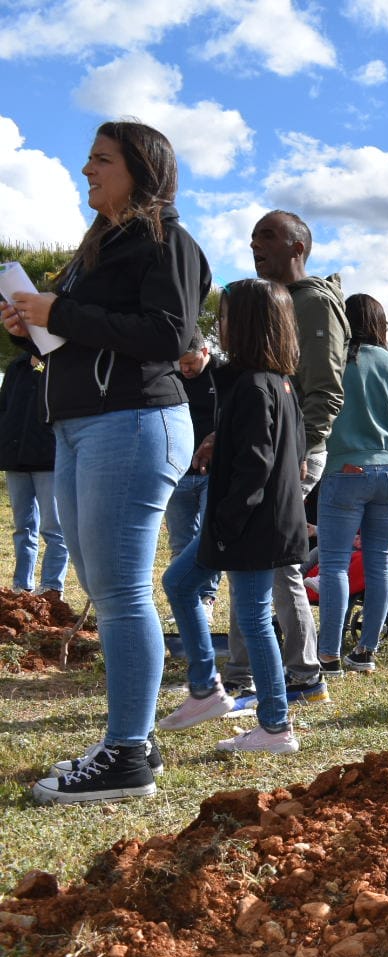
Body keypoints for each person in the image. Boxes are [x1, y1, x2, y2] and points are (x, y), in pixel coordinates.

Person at [4, 121, 210, 804]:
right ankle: (133, 735)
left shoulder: (166, 241)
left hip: (133, 422)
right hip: (82, 424)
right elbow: (90, 334)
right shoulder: (100, 248)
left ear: (141, 171)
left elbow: (169, 334)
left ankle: (127, 757)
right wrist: (37, 326)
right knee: (100, 578)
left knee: (119, 591)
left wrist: (59, 308)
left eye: (101, 159)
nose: (85, 168)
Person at [158, 279, 307, 753]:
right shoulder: (276, 383)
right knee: (183, 585)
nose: (218, 326)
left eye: (224, 317)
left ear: (244, 325)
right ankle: (208, 690)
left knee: (252, 616)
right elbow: (289, 452)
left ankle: (274, 725)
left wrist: (225, 525)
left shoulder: (255, 386)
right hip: (264, 523)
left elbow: (256, 464)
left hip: (250, 526)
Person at [217, 210, 349, 714]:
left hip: (293, 452)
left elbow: (325, 389)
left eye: (268, 235)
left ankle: (301, 673)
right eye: (253, 237)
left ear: (298, 246)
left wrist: (299, 454)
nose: (256, 244)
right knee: (254, 559)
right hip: (273, 446)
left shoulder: (312, 303)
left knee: (276, 564)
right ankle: (244, 670)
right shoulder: (277, 302)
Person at [315, 294, 388, 676]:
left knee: (335, 565)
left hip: (346, 468)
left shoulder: (337, 361)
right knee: (379, 564)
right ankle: (366, 651)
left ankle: (329, 655)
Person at [164, 342, 237, 619]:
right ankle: (184, 601)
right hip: (178, 470)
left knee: (207, 535)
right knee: (179, 540)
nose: (185, 368)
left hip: (214, 472)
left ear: (204, 351)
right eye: (180, 363)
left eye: (190, 362)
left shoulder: (224, 375)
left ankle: (207, 597)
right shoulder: (171, 377)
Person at [0, 355, 68, 596]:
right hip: (15, 458)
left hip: (48, 460)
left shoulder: (61, 364)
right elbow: (5, 407)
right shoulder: (16, 368)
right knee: (23, 527)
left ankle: (51, 587)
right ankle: (21, 586)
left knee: (54, 528)